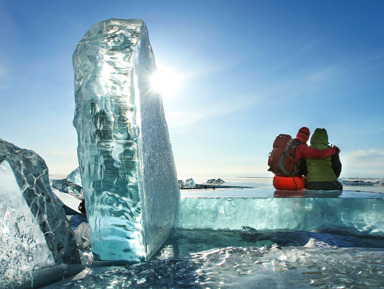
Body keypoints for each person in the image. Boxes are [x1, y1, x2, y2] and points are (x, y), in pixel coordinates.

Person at [273, 127, 339, 190]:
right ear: (307, 137)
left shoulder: (288, 145)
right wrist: (334, 151)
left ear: (297, 134)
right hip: (293, 182)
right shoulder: (302, 148)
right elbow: (318, 154)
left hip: (276, 182)